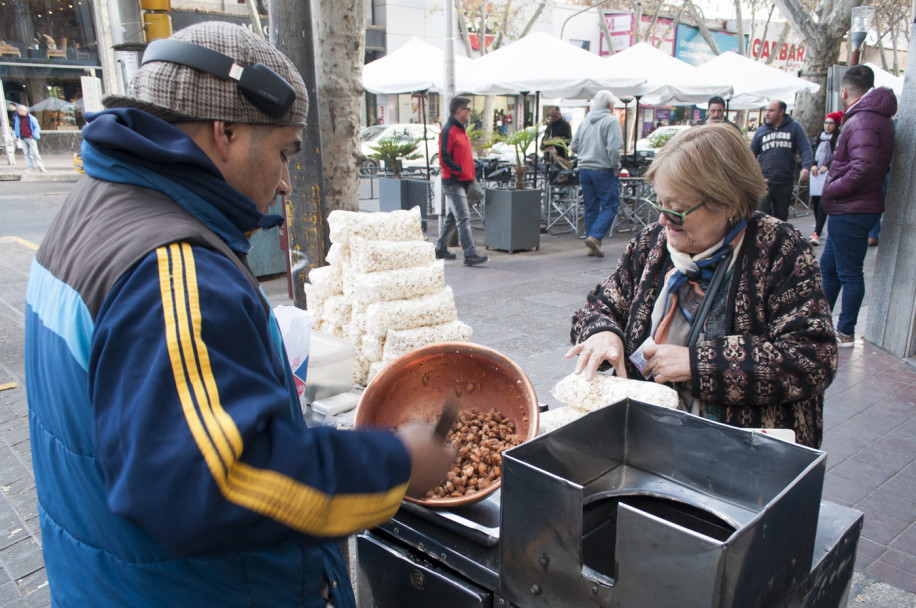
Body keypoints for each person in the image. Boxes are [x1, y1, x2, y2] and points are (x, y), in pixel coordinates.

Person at [24, 21, 456, 607]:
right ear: (224, 131)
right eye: (282, 151)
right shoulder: (169, 267)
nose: (284, 181)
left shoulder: (90, 209)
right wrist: (396, 462)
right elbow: (219, 479)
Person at [566, 124, 837, 449]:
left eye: (677, 211)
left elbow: (813, 358)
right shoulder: (650, 244)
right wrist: (602, 333)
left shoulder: (780, 250)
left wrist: (699, 363)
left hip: (741, 457)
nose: (664, 221)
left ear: (730, 203)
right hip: (644, 441)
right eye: (659, 205)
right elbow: (599, 306)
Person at [820, 64, 897, 348]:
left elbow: (863, 167)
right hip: (850, 208)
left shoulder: (863, 119)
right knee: (828, 268)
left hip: (852, 208)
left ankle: (845, 332)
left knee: (848, 272)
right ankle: (820, 323)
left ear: (844, 91)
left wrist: (833, 189)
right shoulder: (872, 117)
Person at [570, 89, 623, 258]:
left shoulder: (585, 122)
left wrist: (587, 153)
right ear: (610, 105)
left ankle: (593, 243)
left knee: (591, 207)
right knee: (610, 206)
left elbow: (574, 146)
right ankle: (595, 236)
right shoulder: (611, 121)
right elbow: (614, 148)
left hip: (585, 169)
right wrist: (616, 166)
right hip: (603, 169)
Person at [435, 95, 488, 266]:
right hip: (453, 181)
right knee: (463, 217)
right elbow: (444, 157)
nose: (470, 112)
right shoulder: (449, 129)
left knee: (454, 216)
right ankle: (469, 254)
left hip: (462, 180)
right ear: (459, 111)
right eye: (467, 109)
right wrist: (460, 171)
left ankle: (440, 247)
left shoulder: (460, 129)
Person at [750, 99, 813, 221]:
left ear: (781, 112)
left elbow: (805, 148)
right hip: (764, 181)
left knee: (781, 217)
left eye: (771, 111)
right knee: (762, 216)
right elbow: (751, 153)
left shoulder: (794, 127)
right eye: (766, 110)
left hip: (785, 181)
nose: (767, 114)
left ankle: (779, 240)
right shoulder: (761, 131)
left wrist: (806, 167)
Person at [808, 110, 843, 246]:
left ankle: (816, 232)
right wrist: (813, 165)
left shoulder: (838, 139)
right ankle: (818, 227)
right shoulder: (818, 138)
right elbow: (811, 154)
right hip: (816, 175)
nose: (827, 126)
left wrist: (828, 166)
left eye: (831, 123)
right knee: (816, 203)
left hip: (829, 175)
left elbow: (839, 156)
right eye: (826, 123)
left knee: (823, 202)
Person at [12, 105, 46, 172]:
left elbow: (37, 127)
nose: (18, 111)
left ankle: (41, 167)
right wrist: (17, 136)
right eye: (18, 110)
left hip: (30, 137)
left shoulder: (31, 118)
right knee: (26, 153)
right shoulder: (18, 118)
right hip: (22, 137)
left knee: (35, 153)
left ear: (24, 111)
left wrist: (33, 135)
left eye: (20, 110)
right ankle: (30, 167)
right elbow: (16, 127)